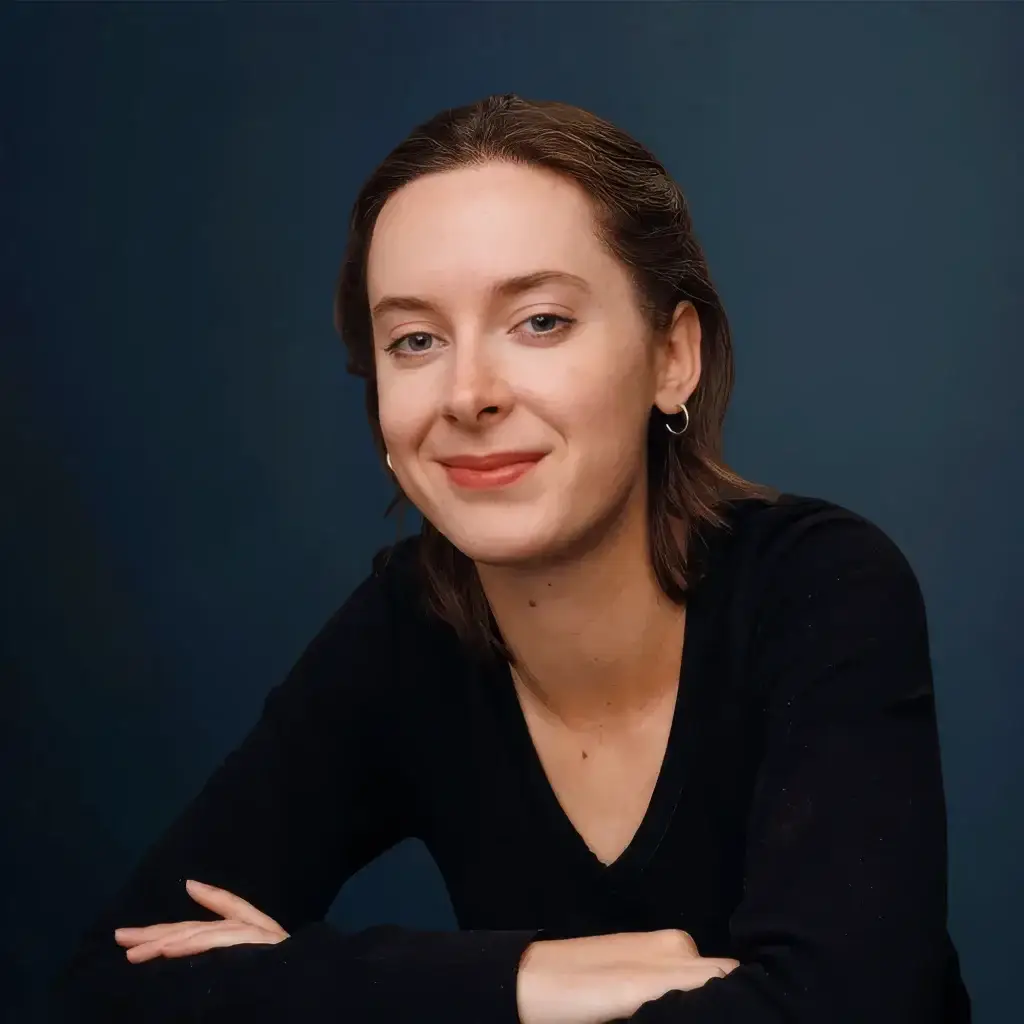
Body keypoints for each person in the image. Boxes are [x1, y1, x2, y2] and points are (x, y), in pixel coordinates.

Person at [55, 94, 971, 1023]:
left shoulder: (821, 588)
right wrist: (525, 979)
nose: (467, 394)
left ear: (672, 357)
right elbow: (112, 987)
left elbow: (843, 1009)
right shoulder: (406, 632)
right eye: (415, 340)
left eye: (539, 321)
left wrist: (311, 988)